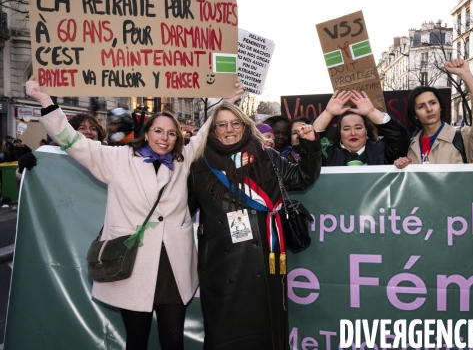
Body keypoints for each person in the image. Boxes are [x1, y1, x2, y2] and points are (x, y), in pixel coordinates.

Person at [26, 76, 244, 350]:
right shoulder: (118, 158)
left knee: (173, 341)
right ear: (147, 132)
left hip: (173, 264)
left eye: (171, 133)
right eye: (158, 131)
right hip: (133, 263)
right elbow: (74, 142)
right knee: (137, 341)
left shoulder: (182, 159)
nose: (164, 138)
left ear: (177, 137)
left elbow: (203, 133)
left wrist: (225, 103)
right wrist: (45, 100)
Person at [187, 102, 321, 350]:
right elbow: (182, 209)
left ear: (245, 125)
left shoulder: (266, 156)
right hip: (221, 265)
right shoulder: (199, 166)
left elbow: (303, 177)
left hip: (264, 259)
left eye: (235, 123)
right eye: (222, 124)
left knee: (265, 329)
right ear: (214, 130)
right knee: (225, 333)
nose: (230, 129)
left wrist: (311, 144)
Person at [394, 59, 473, 168]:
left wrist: (466, 75)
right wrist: (401, 166)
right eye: (421, 106)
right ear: (415, 114)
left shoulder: (463, 138)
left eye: (433, 103)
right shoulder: (412, 146)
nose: (429, 109)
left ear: (440, 107)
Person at [312, 90, 409, 166]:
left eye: (358, 128)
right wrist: (328, 113)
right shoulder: (329, 154)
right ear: (340, 133)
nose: (353, 133)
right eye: (346, 129)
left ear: (366, 131)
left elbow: (399, 138)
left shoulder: (382, 151)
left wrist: (371, 112)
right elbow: (310, 143)